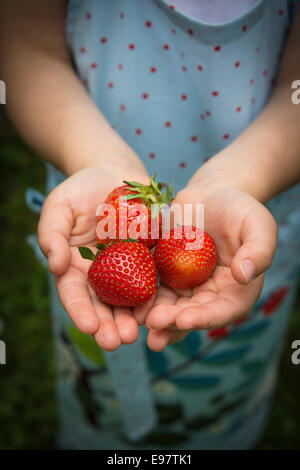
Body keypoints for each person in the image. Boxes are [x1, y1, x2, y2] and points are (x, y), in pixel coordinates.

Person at [1, 0, 300, 450]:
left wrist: (239, 181)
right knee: (93, 373)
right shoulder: (108, 234)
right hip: (90, 173)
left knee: (228, 373)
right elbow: (26, 47)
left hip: (248, 209)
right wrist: (99, 161)